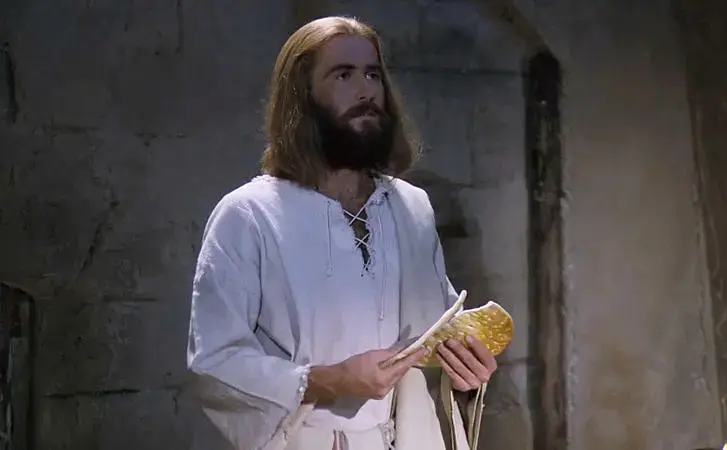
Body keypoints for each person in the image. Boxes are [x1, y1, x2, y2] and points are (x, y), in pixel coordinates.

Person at [187, 16, 501, 450]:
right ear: (302, 97)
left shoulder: (411, 207)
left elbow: (434, 337)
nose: (366, 91)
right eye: (343, 75)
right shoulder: (248, 215)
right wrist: (329, 380)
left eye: (373, 74)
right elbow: (214, 362)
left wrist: (465, 371)